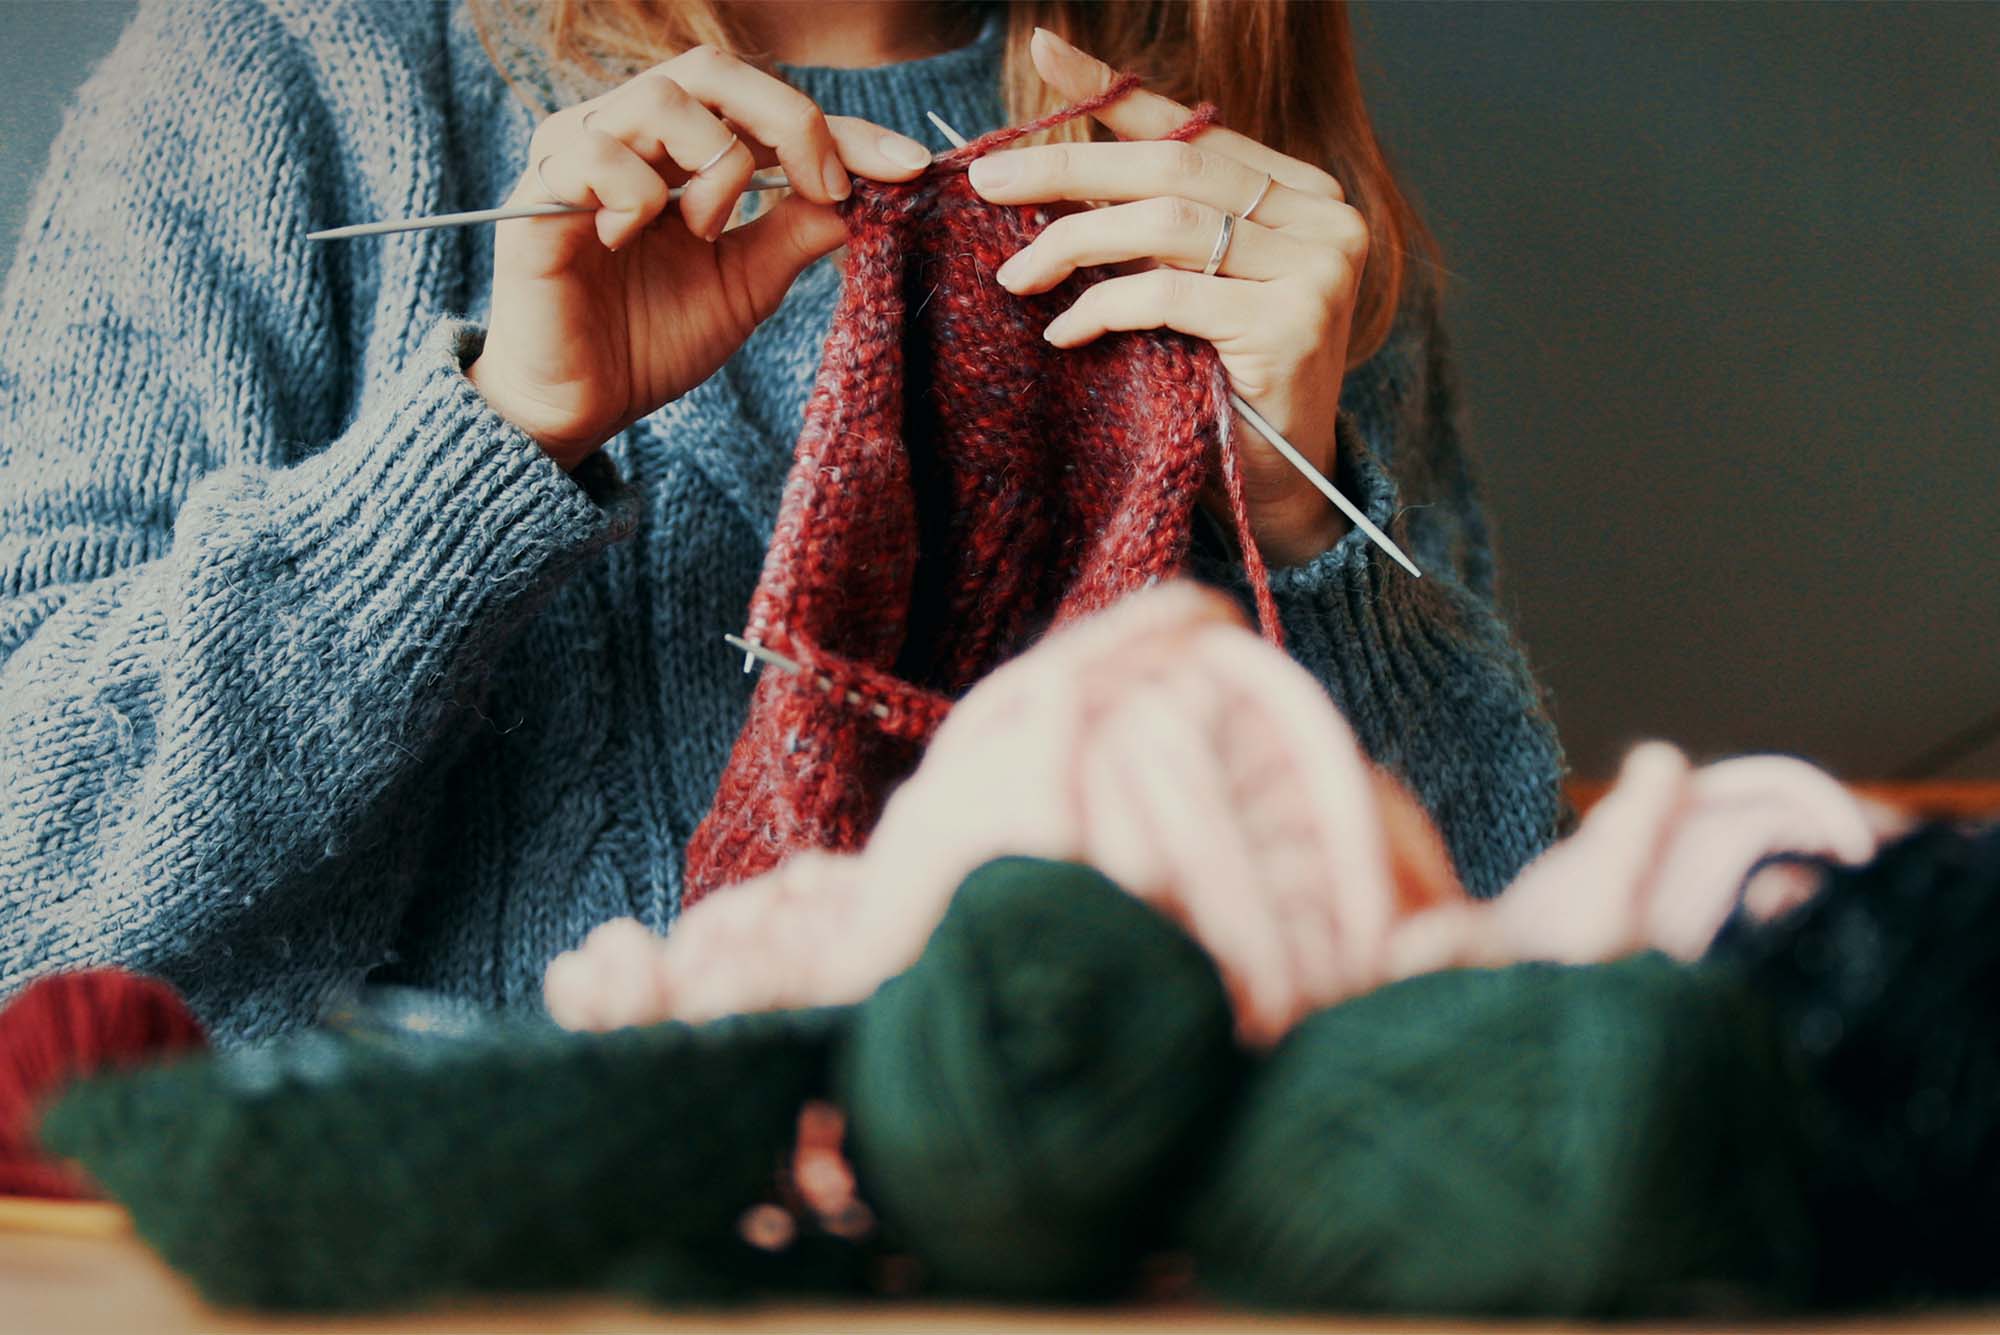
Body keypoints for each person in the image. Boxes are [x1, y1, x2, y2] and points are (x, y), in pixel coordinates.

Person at [0, 0, 1567, 1046]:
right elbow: (31, 905)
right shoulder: (288, 78)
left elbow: (1492, 1003)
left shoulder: (1249, 185)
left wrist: (1304, 525)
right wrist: (475, 456)